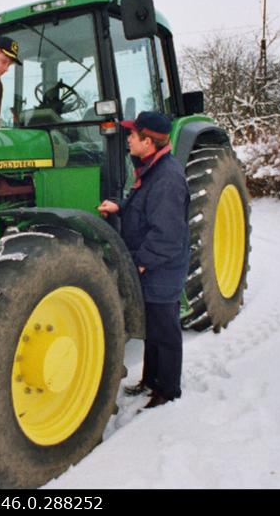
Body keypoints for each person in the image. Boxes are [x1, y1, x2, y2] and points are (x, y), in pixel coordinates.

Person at [97, 111, 190, 409]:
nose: (128, 140)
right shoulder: (152, 169)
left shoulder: (167, 178)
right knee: (152, 328)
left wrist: (140, 262)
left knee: (165, 330)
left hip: (162, 267)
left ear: (147, 142)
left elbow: (167, 234)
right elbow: (145, 211)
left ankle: (168, 390)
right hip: (153, 265)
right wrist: (120, 207)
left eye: (133, 136)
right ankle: (151, 381)